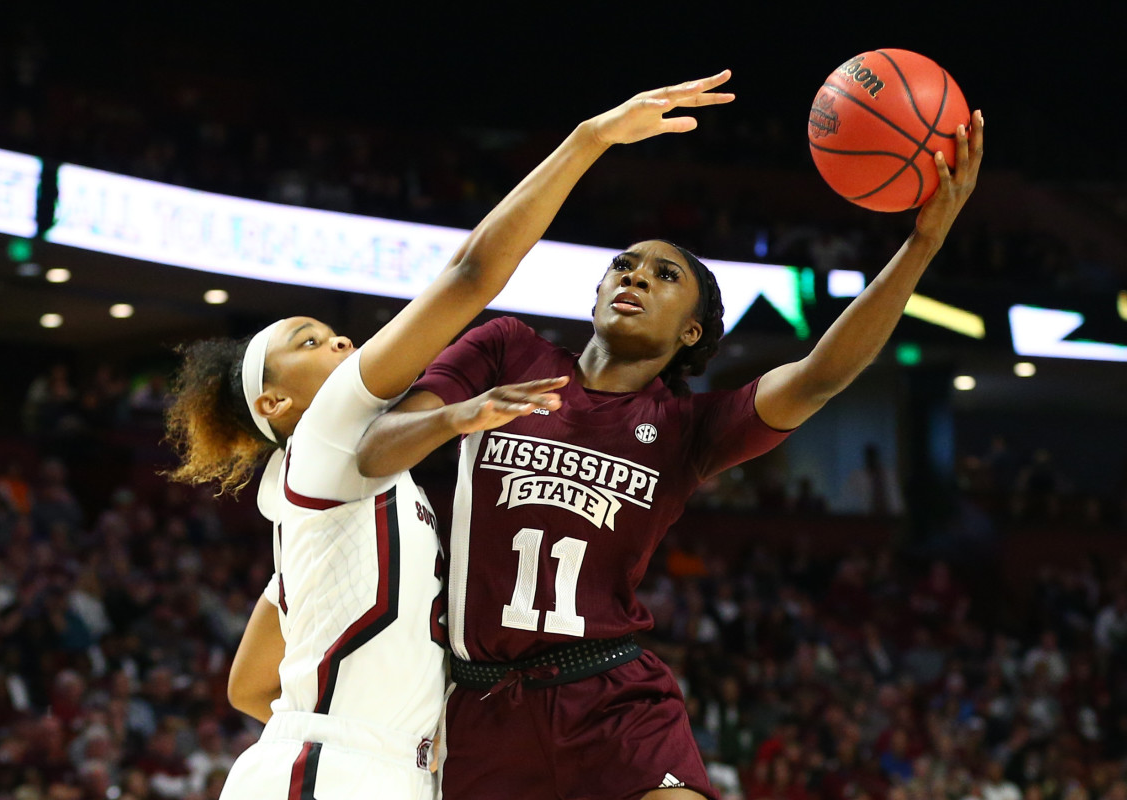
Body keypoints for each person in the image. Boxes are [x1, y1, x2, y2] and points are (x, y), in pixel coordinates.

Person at [357, 94, 984, 798]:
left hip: (609, 696)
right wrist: (456, 417)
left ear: (692, 332)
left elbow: (819, 378)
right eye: (623, 267)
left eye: (664, 277)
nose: (635, 278)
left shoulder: (688, 430)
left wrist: (921, 244)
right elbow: (374, 450)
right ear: (595, 292)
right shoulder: (507, 350)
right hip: (479, 705)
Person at [163, 72, 736, 800]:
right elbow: (471, 274)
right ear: (275, 403)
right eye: (310, 341)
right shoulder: (326, 439)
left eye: (335, 332)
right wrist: (591, 138)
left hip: (393, 774)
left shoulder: (364, 500)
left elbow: (248, 684)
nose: (341, 344)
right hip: (334, 772)